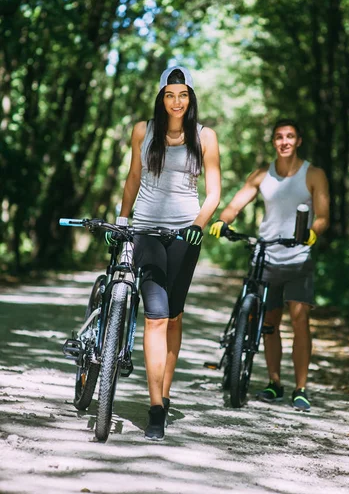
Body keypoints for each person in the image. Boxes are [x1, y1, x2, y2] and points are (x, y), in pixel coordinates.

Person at [118, 65, 220, 441]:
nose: (176, 101)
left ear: (190, 98)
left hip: (185, 234)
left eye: (183, 94)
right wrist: (122, 220)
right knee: (156, 317)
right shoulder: (143, 131)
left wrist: (198, 224)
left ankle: (166, 391)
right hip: (146, 228)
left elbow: (213, 193)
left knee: (174, 317)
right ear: (161, 97)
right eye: (169, 94)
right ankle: (156, 406)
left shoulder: (205, 137)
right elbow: (133, 177)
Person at [210, 119, 329, 412]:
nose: (284, 141)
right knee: (269, 324)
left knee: (300, 321)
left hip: (298, 257)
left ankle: (301, 388)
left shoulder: (313, 174)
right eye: (279, 137)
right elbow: (236, 205)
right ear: (273, 142)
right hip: (266, 256)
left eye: (290, 136)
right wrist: (223, 220)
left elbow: (323, 214)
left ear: (298, 141)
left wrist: (314, 232)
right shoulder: (262, 175)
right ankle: (275, 382)